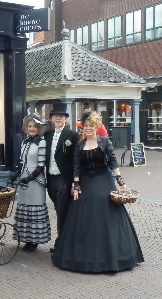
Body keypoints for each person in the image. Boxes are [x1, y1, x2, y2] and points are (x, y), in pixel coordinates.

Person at [52, 111, 144, 273]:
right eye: (85, 126)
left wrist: (121, 182)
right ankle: (81, 256)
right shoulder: (80, 144)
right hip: (85, 183)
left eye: (90, 126)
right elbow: (77, 166)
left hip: (103, 182)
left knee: (105, 215)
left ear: (96, 126)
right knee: (82, 216)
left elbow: (113, 162)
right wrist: (76, 184)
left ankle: (110, 257)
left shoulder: (104, 142)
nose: (87, 129)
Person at [9, 112, 51, 252]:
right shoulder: (24, 142)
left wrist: (30, 178)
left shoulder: (42, 142)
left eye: (34, 126)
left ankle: (35, 241)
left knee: (34, 209)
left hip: (35, 181)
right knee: (24, 208)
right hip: (24, 180)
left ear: (39, 128)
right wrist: (16, 174)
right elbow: (21, 162)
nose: (32, 128)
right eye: (30, 126)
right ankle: (26, 239)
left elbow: (41, 165)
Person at [44, 102, 79, 253]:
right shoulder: (47, 135)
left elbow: (76, 160)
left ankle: (62, 244)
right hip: (50, 178)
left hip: (64, 178)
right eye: (56, 116)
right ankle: (64, 241)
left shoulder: (72, 135)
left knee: (63, 211)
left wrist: (74, 183)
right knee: (58, 209)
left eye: (61, 116)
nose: (58, 118)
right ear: (52, 118)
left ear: (65, 118)